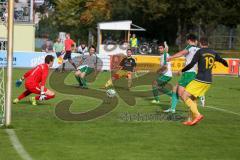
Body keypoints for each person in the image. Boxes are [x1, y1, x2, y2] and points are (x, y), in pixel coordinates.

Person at [180, 37, 228, 126]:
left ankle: (197, 115)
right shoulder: (213, 52)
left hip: (200, 79)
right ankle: (191, 119)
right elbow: (222, 60)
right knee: (193, 99)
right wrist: (226, 64)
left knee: (184, 95)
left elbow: (191, 64)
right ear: (208, 44)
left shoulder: (200, 52)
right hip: (208, 81)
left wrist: (183, 70)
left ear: (201, 44)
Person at [164, 34, 204, 113]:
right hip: (192, 73)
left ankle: (199, 96)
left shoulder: (189, 47)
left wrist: (171, 57)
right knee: (175, 88)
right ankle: (172, 108)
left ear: (189, 40)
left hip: (188, 74)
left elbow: (181, 53)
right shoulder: (199, 49)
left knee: (181, 93)